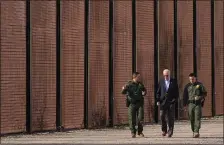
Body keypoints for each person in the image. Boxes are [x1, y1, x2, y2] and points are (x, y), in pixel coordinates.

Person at [121, 72, 147, 138]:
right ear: (134, 77)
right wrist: (124, 88)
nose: (139, 78)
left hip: (140, 103)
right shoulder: (129, 84)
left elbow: (144, 91)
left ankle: (140, 132)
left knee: (140, 118)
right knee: (132, 119)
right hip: (132, 104)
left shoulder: (140, 84)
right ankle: (133, 132)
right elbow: (123, 92)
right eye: (138, 77)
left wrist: (144, 93)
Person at [156, 69, 179, 137]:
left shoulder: (173, 81)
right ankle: (164, 130)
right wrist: (158, 100)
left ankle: (170, 131)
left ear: (169, 74)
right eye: (165, 75)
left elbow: (176, 92)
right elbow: (158, 92)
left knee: (170, 117)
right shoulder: (161, 81)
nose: (166, 77)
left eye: (167, 75)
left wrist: (174, 100)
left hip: (171, 102)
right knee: (162, 115)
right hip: (163, 102)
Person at [183, 73, 207, 138]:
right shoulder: (187, 86)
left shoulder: (200, 85)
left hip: (197, 104)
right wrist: (184, 105)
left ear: (195, 78)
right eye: (190, 79)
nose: (191, 80)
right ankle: (194, 131)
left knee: (197, 117)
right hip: (190, 104)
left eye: (193, 79)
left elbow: (204, 93)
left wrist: (200, 97)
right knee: (191, 118)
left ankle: (196, 131)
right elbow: (185, 96)